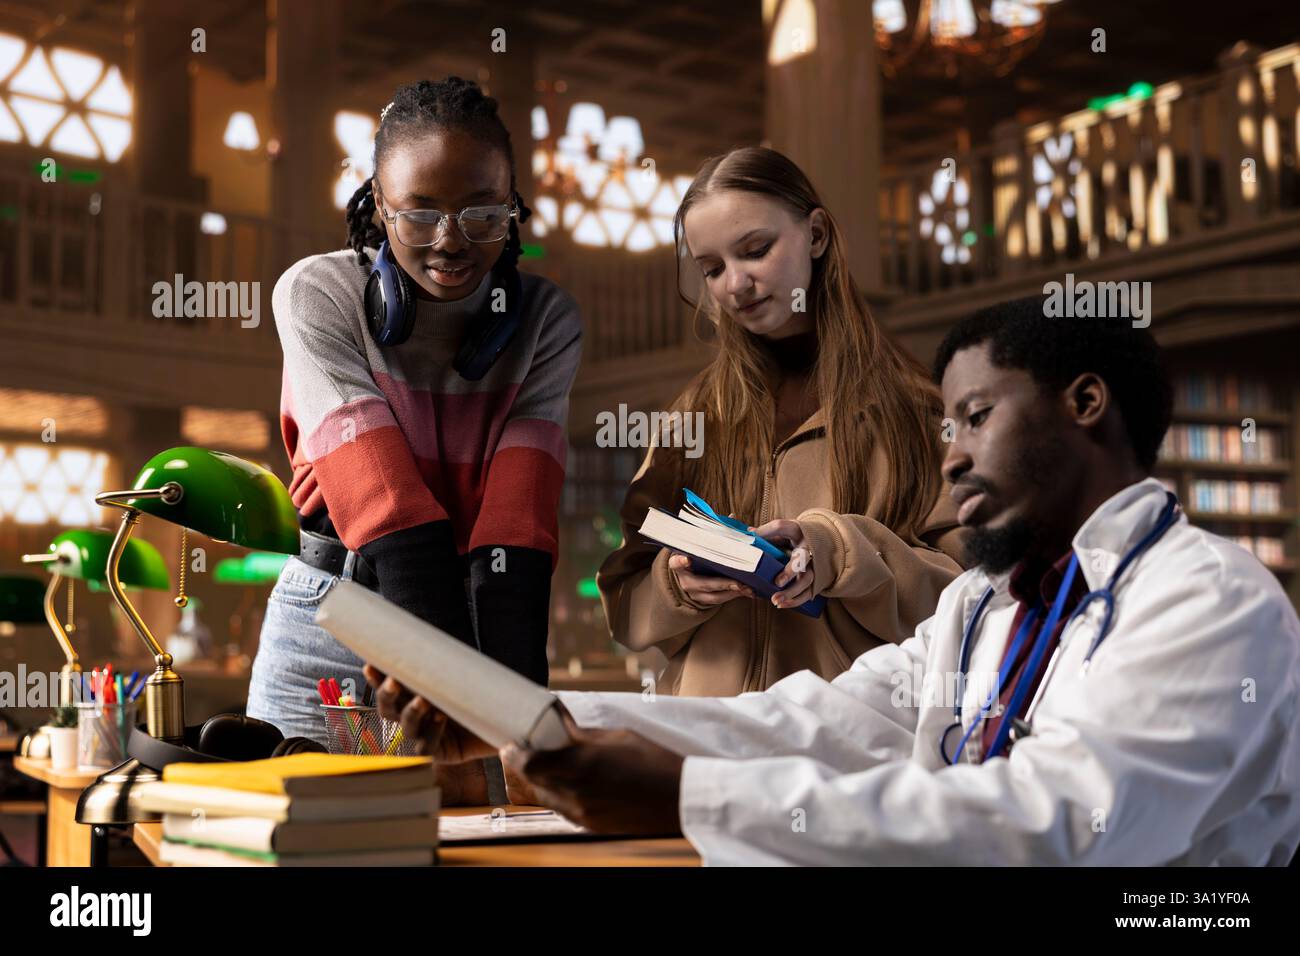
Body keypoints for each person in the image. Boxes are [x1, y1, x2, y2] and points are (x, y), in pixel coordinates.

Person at [369, 298, 1300, 865]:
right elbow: (807, 723)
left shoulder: (1206, 600)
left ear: (1086, 404)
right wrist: (535, 716)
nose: (956, 460)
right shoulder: (984, 604)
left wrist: (686, 797)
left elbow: (1064, 829)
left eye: (975, 417)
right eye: (947, 433)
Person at [247, 78, 582, 803]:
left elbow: (516, 531)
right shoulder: (315, 294)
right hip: (329, 614)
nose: (450, 241)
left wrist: (515, 717)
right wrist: (463, 694)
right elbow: (386, 506)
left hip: (477, 613)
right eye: (420, 212)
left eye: (482, 213)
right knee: (285, 835)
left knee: (490, 841)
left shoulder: (549, 321)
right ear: (377, 204)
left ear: (516, 208)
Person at [598, 146, 965, 696]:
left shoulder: (917, 411)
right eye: (712, 268)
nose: (735, 285)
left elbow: (972, 604)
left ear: (816, 235)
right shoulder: (693, 418)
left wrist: (838, 550)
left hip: (847, 745)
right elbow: (627, 608)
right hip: (711, 742)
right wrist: (679, 587)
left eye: (755, 250)